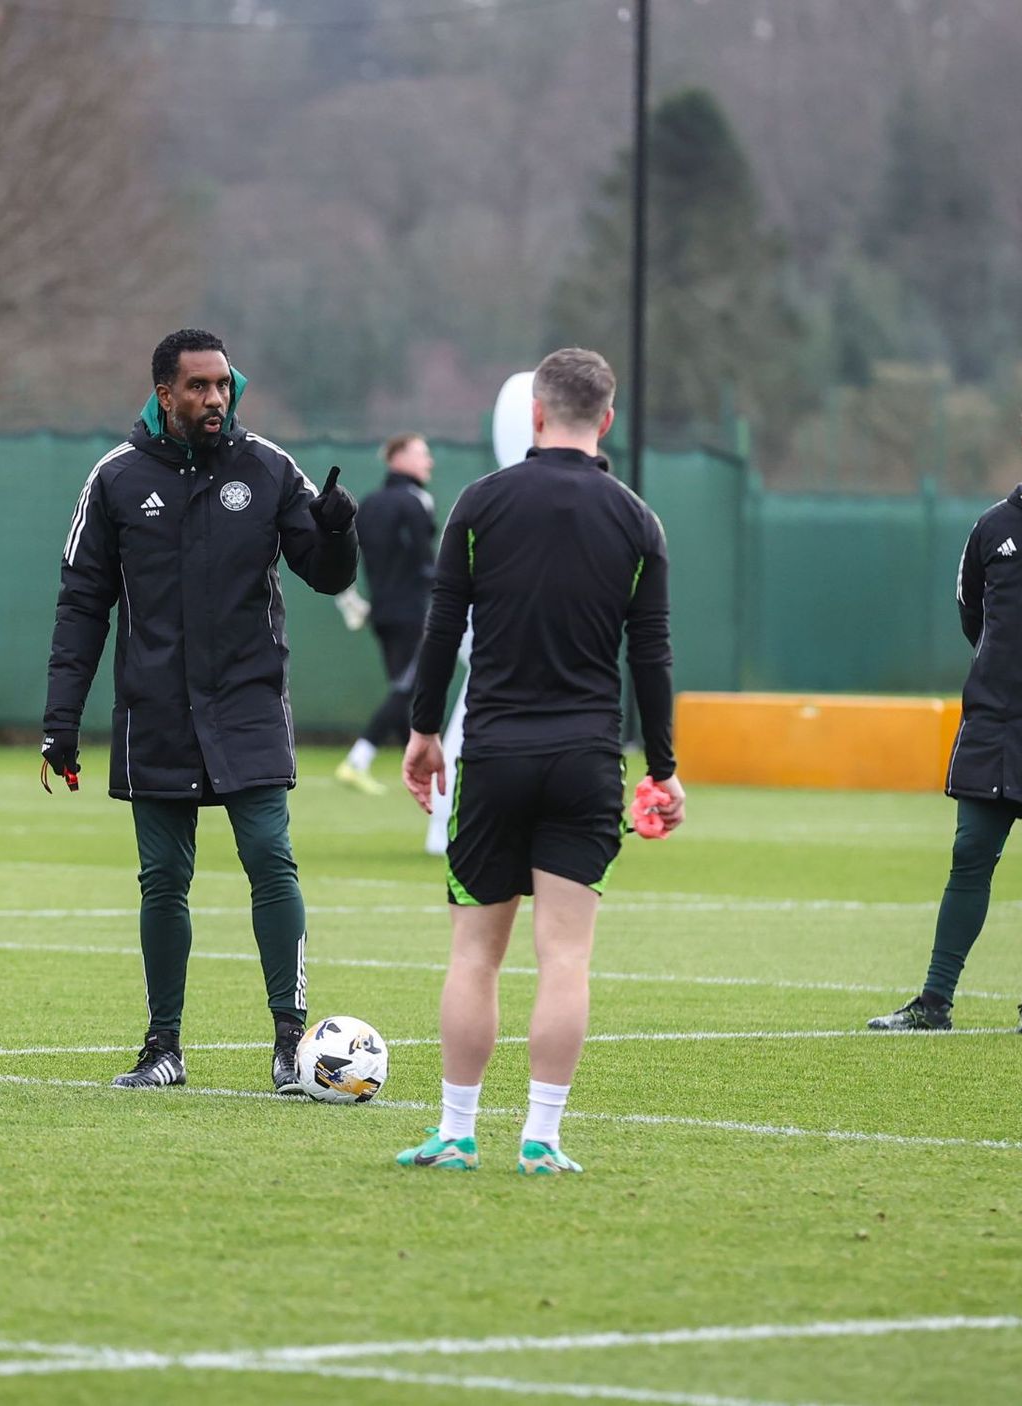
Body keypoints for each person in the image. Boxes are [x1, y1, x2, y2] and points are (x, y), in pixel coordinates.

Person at [42, 328, 359, 1094]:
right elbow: (82, 605)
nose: (216, 398)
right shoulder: (115, 479)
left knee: (270, 859)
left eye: (223, 385)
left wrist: (341, 529)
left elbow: (323, 573)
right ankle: (163, 1048)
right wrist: (60, 721)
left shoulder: (270, 468)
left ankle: (291, 1043)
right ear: (164, 395)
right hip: (155, 710)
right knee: (162, 880)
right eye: (199, 387)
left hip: (248, 703)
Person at [395, 347, 683, 1174]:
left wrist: (423, 734)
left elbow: (440, 629)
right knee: (565, 957)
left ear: (534, 414)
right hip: (586, 760)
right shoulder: (636, 520)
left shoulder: (479, 504)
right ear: (608, 419)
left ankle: (455, 1132)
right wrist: (663, 767)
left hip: (494, 754)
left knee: (473, 954)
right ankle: (543, 1139)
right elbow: (652, 657)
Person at [868, 386, 1022, 1037]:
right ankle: (934, 1002)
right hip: (994, 722)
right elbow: (972, 614)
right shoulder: (991, 529)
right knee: (970, 853)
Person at [335, 433, 438, 796]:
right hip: (414, 613)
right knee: (405, 689)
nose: (430, 461)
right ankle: (356, 760)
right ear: (400, 457)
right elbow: (426, 564)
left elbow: (346, 559)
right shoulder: (416, 501)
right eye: (422, 454)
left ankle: (420, 773)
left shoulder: (369, 503)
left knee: (405, 692)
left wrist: (349, 599)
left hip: (382, 614)